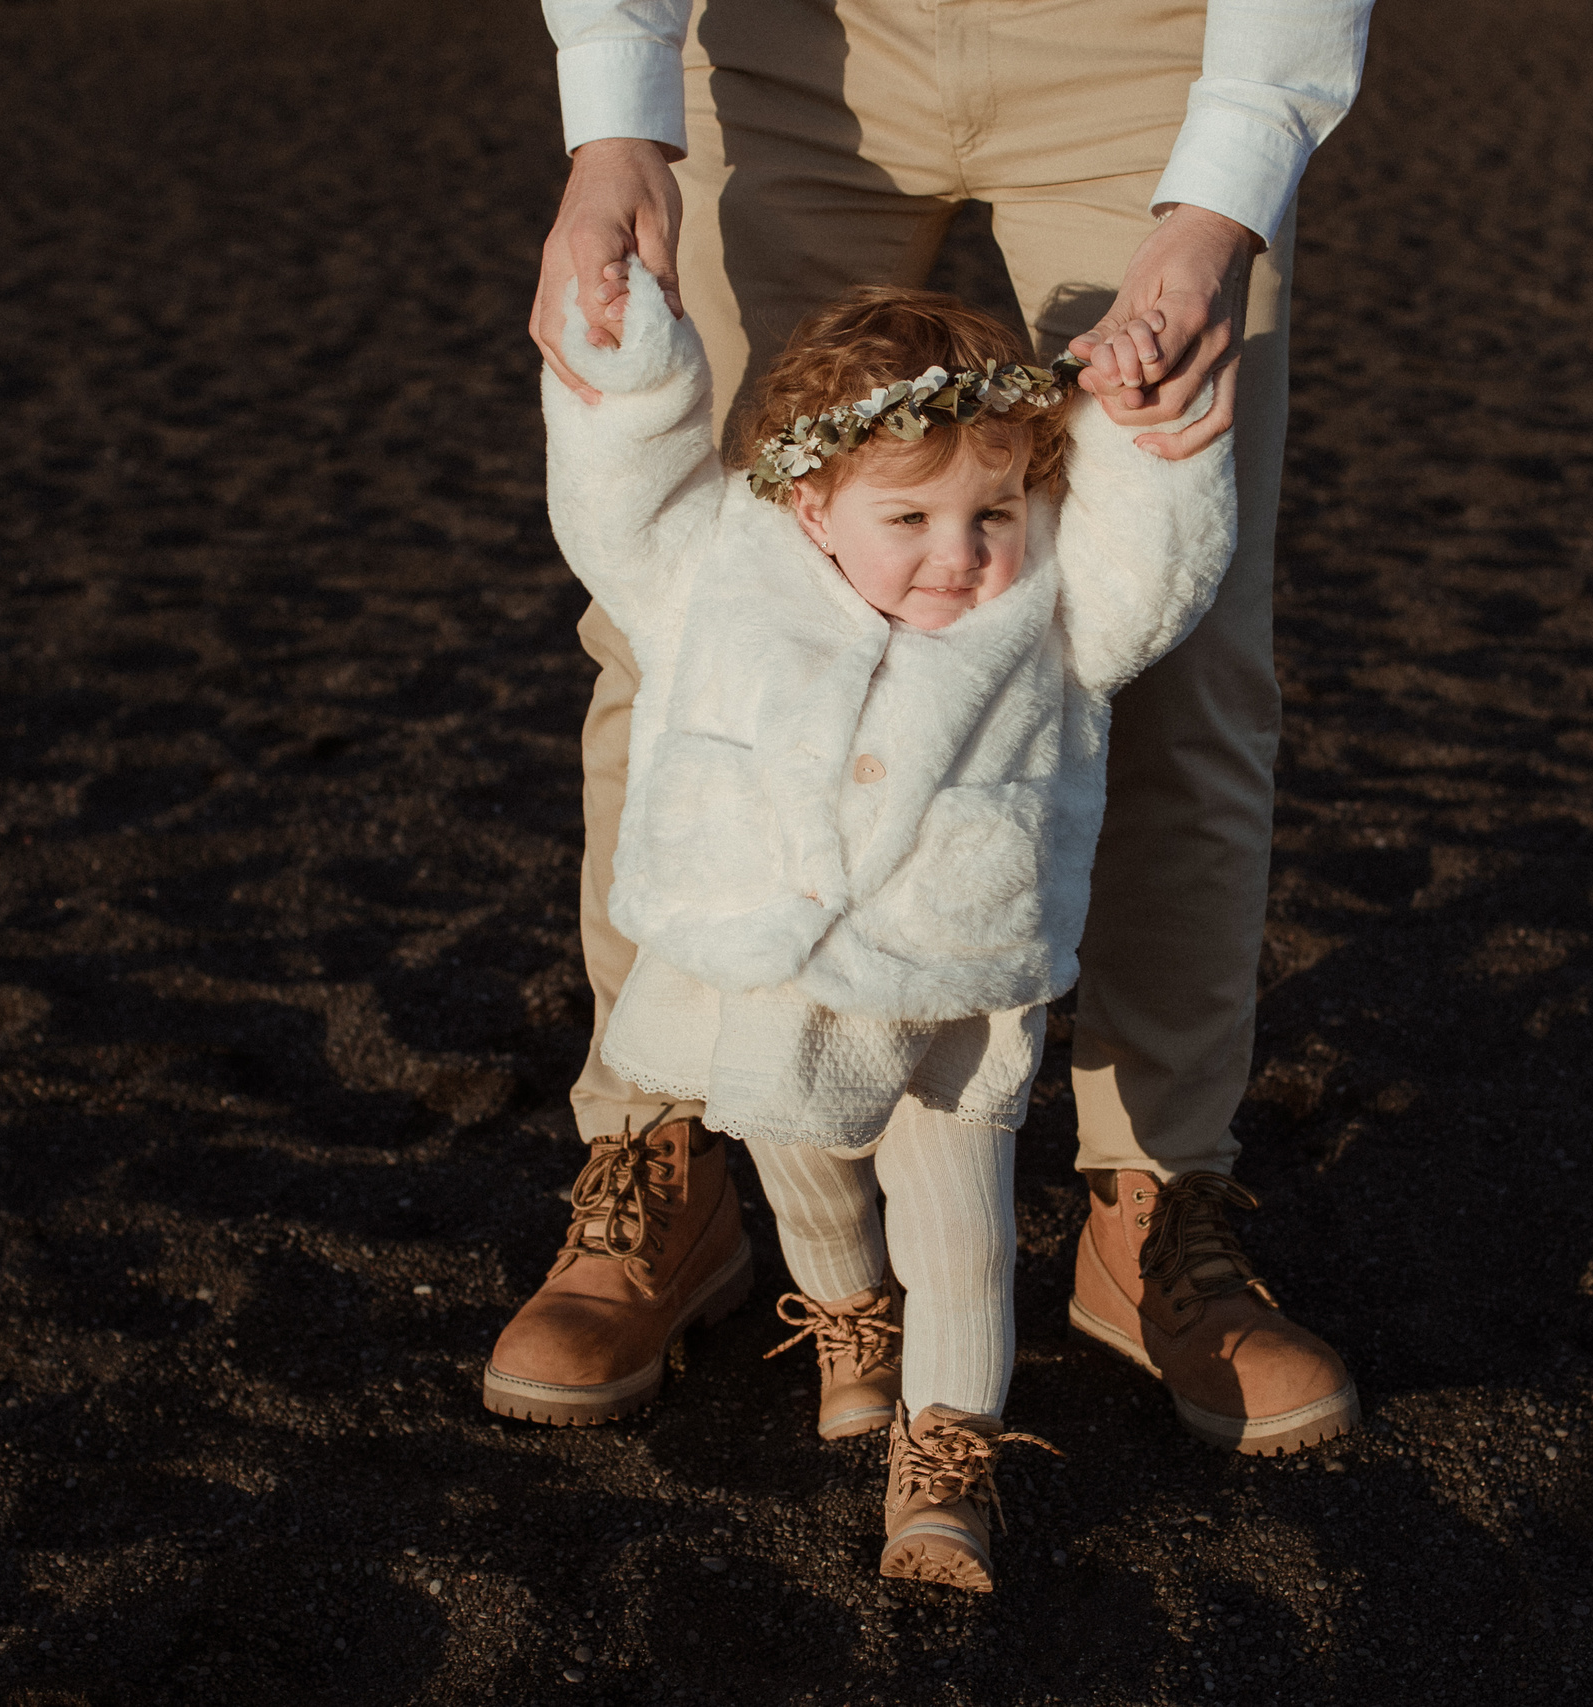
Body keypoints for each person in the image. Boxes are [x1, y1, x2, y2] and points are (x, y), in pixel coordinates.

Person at [484, 0, 1373, 1459]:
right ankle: (660, 1154)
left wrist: (1228, 188)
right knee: (688, 625)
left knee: (1186, 651)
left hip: (1142, 54)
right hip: (780, 52)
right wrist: (616, 119)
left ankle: (1152, 1200)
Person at [517, 268, 1264, 1587]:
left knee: (960, 1236)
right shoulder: (724, 578)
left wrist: (1151, 449)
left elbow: (1149, 564)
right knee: (804, 1172)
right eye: (907, 514)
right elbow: (622, 509)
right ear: (810, 504)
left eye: (993, 511)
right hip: (770, 981)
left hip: (958, 996)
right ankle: (851, 1324)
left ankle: (946, 1462)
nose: (959, 552)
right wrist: (630, 378)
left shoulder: (1054, 613)